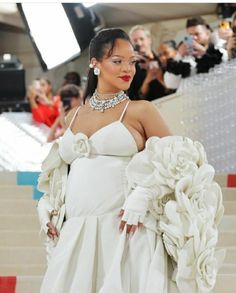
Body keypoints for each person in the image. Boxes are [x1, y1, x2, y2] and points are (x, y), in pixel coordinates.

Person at [37, 28, 223, 293]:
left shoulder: (141, 110)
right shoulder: (73, 116)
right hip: (77, 233)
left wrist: (145, 195)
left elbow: (182, 162)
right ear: (95, 64)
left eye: (132, 61)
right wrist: (48, 204)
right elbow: (61, 174)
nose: (128, 69)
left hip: (127, 230)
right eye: (117, 61)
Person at [164, 16, 228, 89]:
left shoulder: (221, 46)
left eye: (197, 34)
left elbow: (224, 66)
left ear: (208, 33)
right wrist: (179, 56)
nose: (193, 38)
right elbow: (171, 84)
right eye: (190, 35)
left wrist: (204, 53)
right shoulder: (187, 57)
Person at [128, 25, 171, 100]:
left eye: (141, 39)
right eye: (135, 41)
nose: (139, 43)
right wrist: (147, 80)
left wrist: (159, 77)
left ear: (149, 40)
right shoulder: (131, 69)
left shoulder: (163, 60)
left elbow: (174, 88)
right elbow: (135, 98)